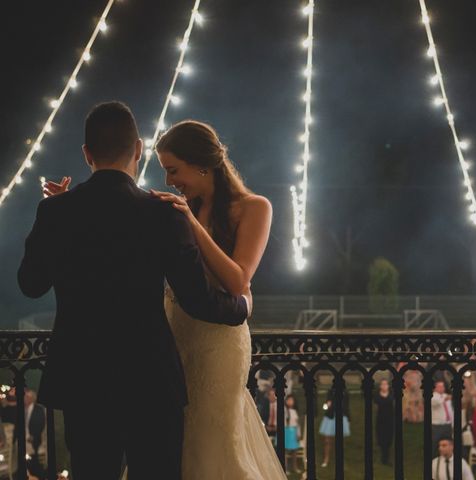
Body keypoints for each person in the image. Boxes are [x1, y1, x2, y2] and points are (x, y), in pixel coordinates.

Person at [21, 102, 250, 480]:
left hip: (84, 378)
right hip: (151, 378)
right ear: (139, 149)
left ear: (86, 154)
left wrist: (50, 215)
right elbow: (196, 299)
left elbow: (30, 285)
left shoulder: (57, 212)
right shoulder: (164, 213)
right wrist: (239, 307)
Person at [150, 120, 285, 478]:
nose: (169, 181)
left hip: (220, 342)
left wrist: (192, 225)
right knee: (174, 440)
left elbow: (239, 279)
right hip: (175, 335)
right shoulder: (179, 208)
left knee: (214, 437)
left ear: (202, 164)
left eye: (173, 170)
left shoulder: (255, 207)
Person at [319, 386, 351, 468]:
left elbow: (347, 406)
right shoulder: (330, 391)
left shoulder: (345, 392)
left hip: (341, 417)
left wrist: (348, 418)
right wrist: (327, 404)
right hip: (330, 417)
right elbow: (326, 403)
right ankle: (326, 459)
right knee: (327, 440)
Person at [373, 379, 394, 465]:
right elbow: (376, 408)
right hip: (381, 420)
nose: (385, 386)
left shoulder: (392, 395)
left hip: (390, 420)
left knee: (388, 439)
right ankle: (383, 457)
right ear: (380, 386)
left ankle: (386, 458)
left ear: (388, 386)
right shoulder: (377, 396)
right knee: (382, 439)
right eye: (383, 384)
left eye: (386, 384)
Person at [431, 380, 453, 458]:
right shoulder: (433, 396)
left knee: (448, 442)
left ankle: (446, 457)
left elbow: (450, 410)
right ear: (435, 388)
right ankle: (433, 459)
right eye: (439, 386)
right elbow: (436, 403)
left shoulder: (445, 396)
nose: (441, 388)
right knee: (435, 443)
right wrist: (444, 399)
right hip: (437, 425)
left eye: (442, 386)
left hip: (447, 424)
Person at [284, 394, 303, 473]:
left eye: (291, 400)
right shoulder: (284, 410)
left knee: (294, 450)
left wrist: (298, 434)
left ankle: (295, 467)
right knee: (285, 450)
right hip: (286, 431)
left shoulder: (295, 412)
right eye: (288, 400)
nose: (289, 402)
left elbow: (297, 424)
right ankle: (286, 467)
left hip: (293, 432)